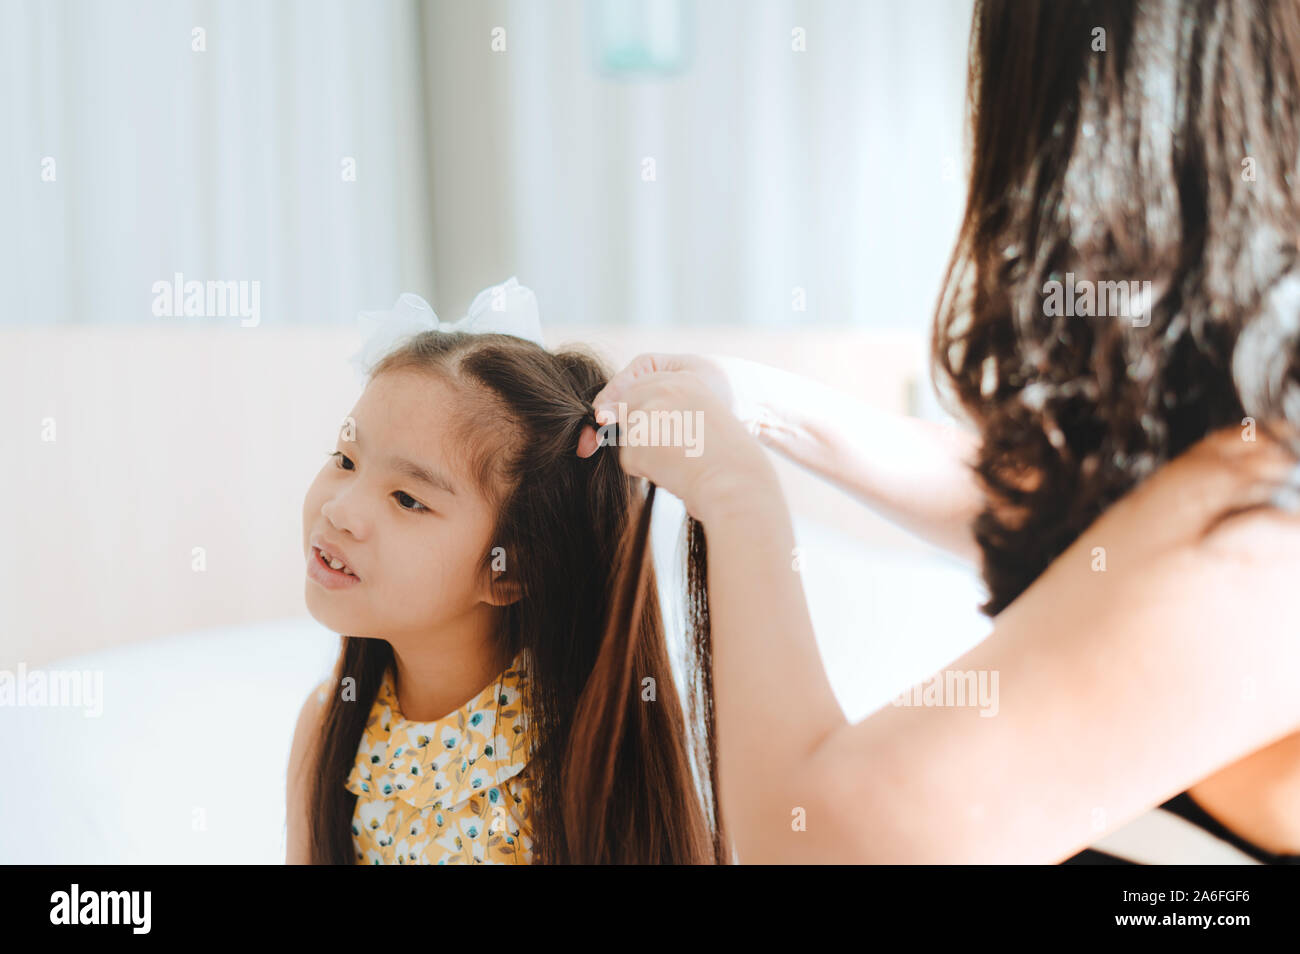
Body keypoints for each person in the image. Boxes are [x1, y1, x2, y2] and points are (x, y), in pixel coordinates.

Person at [578, 0, 1300, 863]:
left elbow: (813, 839)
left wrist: (738, 498)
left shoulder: (1261, 525)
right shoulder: (1243, 471)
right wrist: (765, 404)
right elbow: (1078, 516)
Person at [286, 281, 726, 864]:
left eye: (407, 499)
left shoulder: (567, 779)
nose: (340, 509)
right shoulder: (331, 723)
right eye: (345, 459)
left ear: (509, 570)